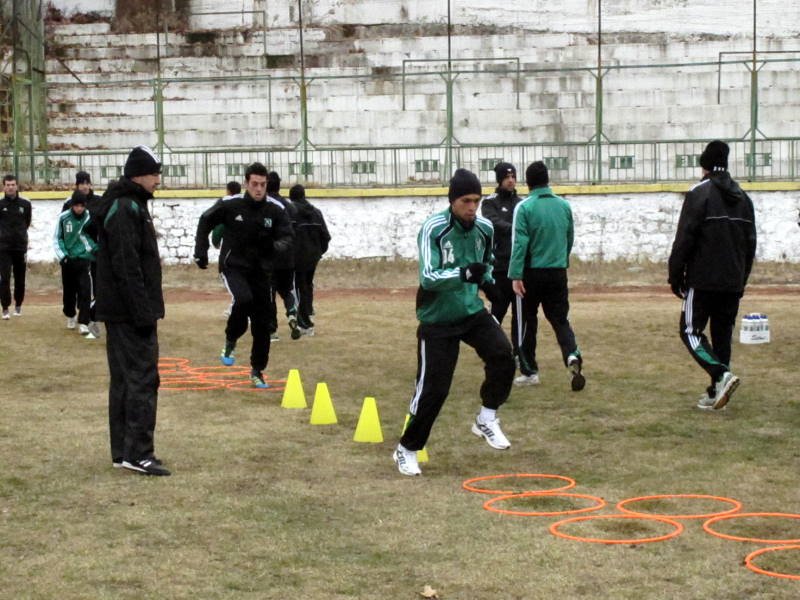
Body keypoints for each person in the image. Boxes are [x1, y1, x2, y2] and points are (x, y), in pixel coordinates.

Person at [393, 168, 516, 477]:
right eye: (466, 201)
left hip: (471, 310)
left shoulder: (484, 228)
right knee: (435, 389)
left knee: (503, 354)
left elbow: (484, 264)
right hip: (438, 318)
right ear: (452, 201)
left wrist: (490, 285)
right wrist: (463, 275)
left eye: (476, 200)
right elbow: (428, 277)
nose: (472, 207)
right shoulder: (433, 228)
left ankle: (486, 418)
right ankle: (406, 449)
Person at [93, 145, 170, 476]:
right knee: (141, 379)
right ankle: (138, 452)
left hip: (121, 311)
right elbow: (127, 265)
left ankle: (124, 451)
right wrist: (142, 312)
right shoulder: (126, 209)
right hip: (129, 312)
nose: (157, 180)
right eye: (154, 174)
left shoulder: (128, 205)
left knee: (125, 380)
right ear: (139, 175)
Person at [668, 140, 757, 410]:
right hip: (732, 280)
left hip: (702, 279)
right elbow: (750, 245)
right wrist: (741, 280)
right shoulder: (744, 199)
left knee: (690, 331)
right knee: (721, 336)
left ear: (703, 165)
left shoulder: (699, 193)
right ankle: (717, 392)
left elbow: (684, 239)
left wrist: (675, 276)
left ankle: (720, 375)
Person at [194, 162, 294, 388]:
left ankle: (257, 370)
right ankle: (231, 339)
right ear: (246, 184)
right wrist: (200, 251)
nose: (259, 189)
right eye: (255, 184)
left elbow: (287, 237)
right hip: (233, 267)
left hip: (261, 271)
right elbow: (205, 220)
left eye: (263, 184)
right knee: (243, 299)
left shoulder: (275, 209)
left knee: (264, 321)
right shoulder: (231, 204)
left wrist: (274, 247)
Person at [508, 161, 585, 392]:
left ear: (528, 182)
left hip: (531, 273)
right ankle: (572, 354)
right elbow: (569, 237)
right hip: (557, 272)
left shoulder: (524, 208)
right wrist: (561, 260)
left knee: (525, 322)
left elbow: (520, 243)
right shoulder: (563, 205)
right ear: (547, 179)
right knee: (560, 319)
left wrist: (516, 275)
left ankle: (529, 371)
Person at [480, 162, 528, 382]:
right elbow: (494, 224)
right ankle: (492, 351)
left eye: (514, 176)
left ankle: (520, 354)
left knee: (521, 316)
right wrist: (516, 228)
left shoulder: (522, 203)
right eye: (507, 176)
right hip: (499, 268)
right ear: (499, 179)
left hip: (518, 268)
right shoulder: (489, 203)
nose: (511, 180)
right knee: (496, 312)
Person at [53, 192, 98, 337]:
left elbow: (92, 237)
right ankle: (70, 314)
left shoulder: (89, 217)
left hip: (84, 259)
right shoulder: (63, 217)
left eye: (82, 206)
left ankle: (83, 322)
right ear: (72, 205)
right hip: (67, 260)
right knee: (69, 292)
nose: (79, 209)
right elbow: (57, 238)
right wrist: (63, 256)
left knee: (85, 290)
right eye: (77, 206)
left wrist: (96, 251)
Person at [289, 184, 331, 335]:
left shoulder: (290, 213)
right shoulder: (316, 213)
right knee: (306, 285)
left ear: (291, 197)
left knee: (298, 288)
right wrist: (318, 252)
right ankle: (307, 314)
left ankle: (304, 322)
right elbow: (326, 237)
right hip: (312, 257)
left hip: (296, 257)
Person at [267, 171, 301, 340]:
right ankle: (292, 313)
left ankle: (272, 331)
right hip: (288, 257)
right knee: (287, 290)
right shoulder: (290, 207)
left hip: (271, 257)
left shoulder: (267, 206)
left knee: (269, 294)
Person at [0, 174, 32, 319]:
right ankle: (5, 307)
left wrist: (21, 237)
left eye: (13, 184)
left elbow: (27, 222)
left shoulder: (25, 205)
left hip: (20, 247)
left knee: (20, 278)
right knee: (4, 278)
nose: (10, 187)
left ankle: (18, 304)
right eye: (8, 185)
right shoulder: (0, 205)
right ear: (3, 186)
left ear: (17, 186)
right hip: (4, 248)